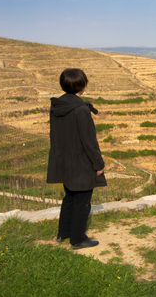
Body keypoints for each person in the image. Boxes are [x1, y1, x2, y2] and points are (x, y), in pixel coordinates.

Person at [46, 68, 107, 250]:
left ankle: (63, 233)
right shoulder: (80, 110)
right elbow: (89, 142)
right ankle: (78, 239)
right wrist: (98, 164)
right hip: (80, 163)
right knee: (82, 202)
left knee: (69, 198)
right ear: (83, 85)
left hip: (63, 160)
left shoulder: (57, 106)